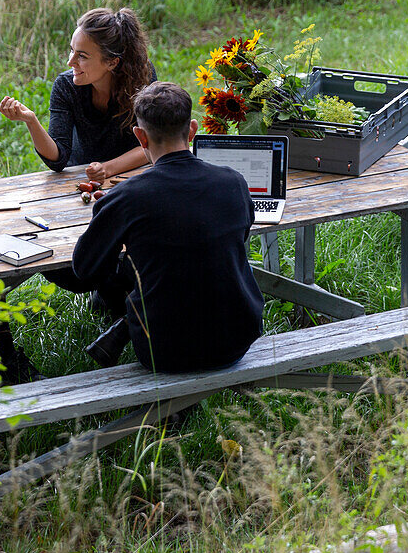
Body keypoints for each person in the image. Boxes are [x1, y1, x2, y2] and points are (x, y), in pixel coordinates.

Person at [71, 82, 264, 373]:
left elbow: (85, 270)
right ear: (193, 129)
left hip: (162, 350)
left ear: (140, 137)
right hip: (237, 339)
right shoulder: (235, 182)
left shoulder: (126, 197)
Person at [0, 7, 154, 183]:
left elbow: (153, 141)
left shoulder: (142, 76)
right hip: (84, 179)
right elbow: (58, 159)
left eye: (82, 56)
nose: (70, 62)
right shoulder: (66, 86)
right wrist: (31, 121)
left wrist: (107, 168)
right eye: (72, 50)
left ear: (112, 62)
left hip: (135, 174)